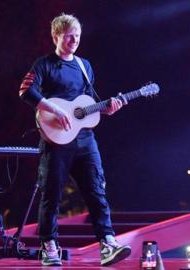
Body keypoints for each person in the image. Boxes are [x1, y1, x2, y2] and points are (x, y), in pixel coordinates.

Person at [18, 13, 131, 266]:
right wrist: (55, 110)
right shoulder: (43, 64)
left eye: (77, 36)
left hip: (84, 139)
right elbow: (25, 91)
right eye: (69, 36)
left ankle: (108, 243)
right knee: (52, 194)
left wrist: (107, 107)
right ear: (56, 36)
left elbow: (87, 104)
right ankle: (49, 247)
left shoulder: (85, 66)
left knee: (96, 191)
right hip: (55, 141)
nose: (74, 40)